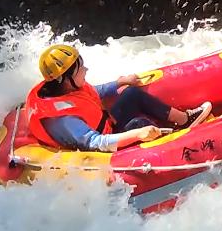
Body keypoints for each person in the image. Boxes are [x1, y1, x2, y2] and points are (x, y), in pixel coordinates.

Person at [25, 44, 212, 152]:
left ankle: (185, 120)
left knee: (131, 93)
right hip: (102, 150)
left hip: (107, 126)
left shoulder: (66, 88)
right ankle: (179, 143)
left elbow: (92, 93)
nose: (86, 69)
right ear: (65, 79)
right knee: (138, 125)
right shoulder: (64, 120)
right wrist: (137, 134)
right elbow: (95, 143)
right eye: (80, 68)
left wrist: (120, 82)